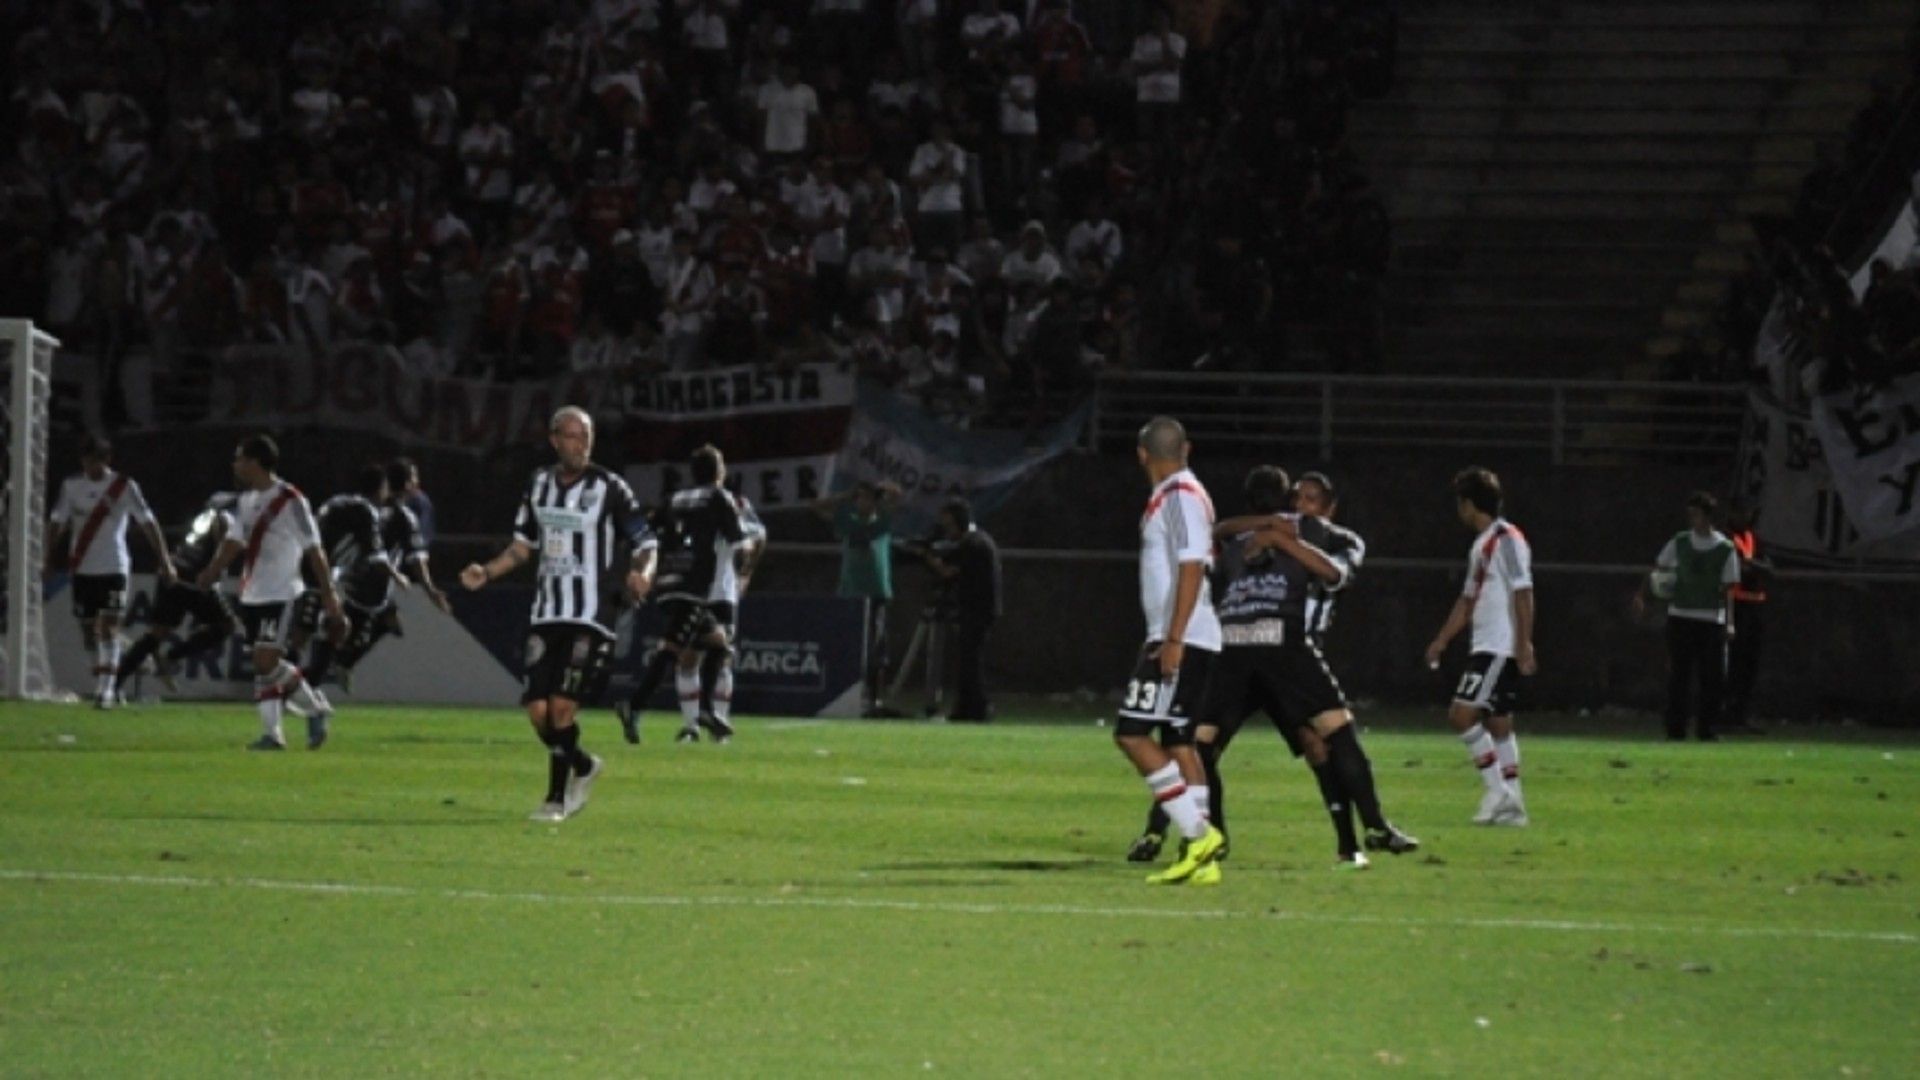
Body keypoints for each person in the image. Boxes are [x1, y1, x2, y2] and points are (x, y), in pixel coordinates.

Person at [1130, 467, 1415, 869]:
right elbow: (1332, 574)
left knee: (1196, 744)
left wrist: (1274, 534)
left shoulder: (1313, 535)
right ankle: (1368, 828)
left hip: (1237, 647)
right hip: (1282, 647)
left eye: (1312, 499)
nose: (1303, 506)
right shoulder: (1272, 533)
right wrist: (1272, 531)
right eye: (1297, 497)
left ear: (1330, 506)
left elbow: (1216, 537)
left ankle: (1351, 840)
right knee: (1328, 735)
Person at [462, 407, 655, 821]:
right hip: (547, 611)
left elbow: (645, 541)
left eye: (585, 436)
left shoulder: (610, 487)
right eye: (571, 435)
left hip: (592, 613)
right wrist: (487, 571)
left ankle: (555, 798)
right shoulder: (538, 485)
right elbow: (522, 547)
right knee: (538, 712)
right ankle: (584, 766)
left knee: (562, 708)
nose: (580, 443)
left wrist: (642, 572)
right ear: (554, 440)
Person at [1115, 416, 1227, 886]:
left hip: (1182, 636)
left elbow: (1191, 567)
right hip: (1189, 634)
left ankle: (1198, 834)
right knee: (1180, 742)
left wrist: (1173, 637)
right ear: (1187, 448)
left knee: (1132, 735)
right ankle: (1203, 859)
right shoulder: (1183, 494)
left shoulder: (1180, 496)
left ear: (1142, 455)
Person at [196, 434, 345, 750]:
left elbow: (314, 548)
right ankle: (273, 734)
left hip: (281, 592)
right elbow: (233, 542)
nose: (235, 464)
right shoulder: (248, 501)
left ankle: (314, 708)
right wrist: (211, 572)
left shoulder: (291, 500)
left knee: (266, 660)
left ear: (254, 462)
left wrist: (328, 592)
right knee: (262, 666)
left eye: (240, 458)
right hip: (252, 592)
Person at [1424, 466, 1534, 826]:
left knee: (1461, 715)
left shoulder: (1507, 539)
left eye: (1461, 503)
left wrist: (1523, 644)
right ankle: (1514, 805)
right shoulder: (1483, 543)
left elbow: (1524, 591)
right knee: (1499, 723)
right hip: (1487, 644)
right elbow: (1468, 600)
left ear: (1469, 504)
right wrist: (1442, 639)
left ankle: (1496, 790)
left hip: (1499, 647)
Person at [45, 437, 175, 707]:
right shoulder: (72, 487)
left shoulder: (124, 487)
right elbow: (58, 522)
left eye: (95, 460)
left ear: (107, 460)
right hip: (82, 567)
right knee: (88, 630)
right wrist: (48, 558)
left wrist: (164, 559)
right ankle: (108, 681)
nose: (90, 466)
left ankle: (106, 691)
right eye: (86, 460)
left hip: (114, 566)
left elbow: (148, 522)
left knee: (108, 625)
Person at [1632, 492, 1740, 742]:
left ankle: (1707, 729)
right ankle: (1675, 729)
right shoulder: (1680, 542)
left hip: (1711, 619)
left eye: (1697, 514)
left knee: (1711, 678)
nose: (1692, 519)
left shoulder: (1725, 548)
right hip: (1681, 616)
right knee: (1679, 675)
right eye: (1690, 514)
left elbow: (1728, 589)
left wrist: (1730, 622)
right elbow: (1659, 568)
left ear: (1708, 517)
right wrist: (1642, 593)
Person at [112, 492, 240, 695]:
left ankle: (114, 684)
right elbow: (225, 542)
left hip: (174, 570)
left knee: (157, 633)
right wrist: (216, 570)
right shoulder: (228, 518)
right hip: (193, 578)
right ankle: (171, 657)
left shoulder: (206, 515)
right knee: (226, 625)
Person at [813, 479, 902, 717]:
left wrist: (884, 489)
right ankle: (847, 693)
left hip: (875, 592)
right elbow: (818, 506)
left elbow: (898, 499)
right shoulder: (848, 522)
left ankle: (875, 698)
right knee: (848, 645)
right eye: (859, 498)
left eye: (867, 498)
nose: (862, 502)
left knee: (876, 646)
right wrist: (845, 495)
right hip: (850, 592)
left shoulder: (881, 522)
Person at [925, 498, 1000, 722]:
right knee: (969, 660)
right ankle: (970, 707)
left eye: (948, 525)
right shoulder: (978, 541)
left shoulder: (973, 544)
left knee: (970, 661)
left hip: (977, 609)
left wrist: (929, 558)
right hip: (980, 609)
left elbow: (948, 572)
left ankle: (974, 708)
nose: (946, 531)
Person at [1723, 502, 1771, 734]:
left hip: (1755, 606)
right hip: (1736, 604)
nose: (1745, 515)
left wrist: (1752, 565)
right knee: (1733, 662)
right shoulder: (1725, 539)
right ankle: (1725, 713)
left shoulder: (1756, 539)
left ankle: (1741, 713)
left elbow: (1770, 569)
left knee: (1750, 663)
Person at [389, 456, 436, 547]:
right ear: (407, 483)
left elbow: (423, 538)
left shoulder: (421, 503)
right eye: (414, 476)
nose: (417, 481)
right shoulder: (384, 506)